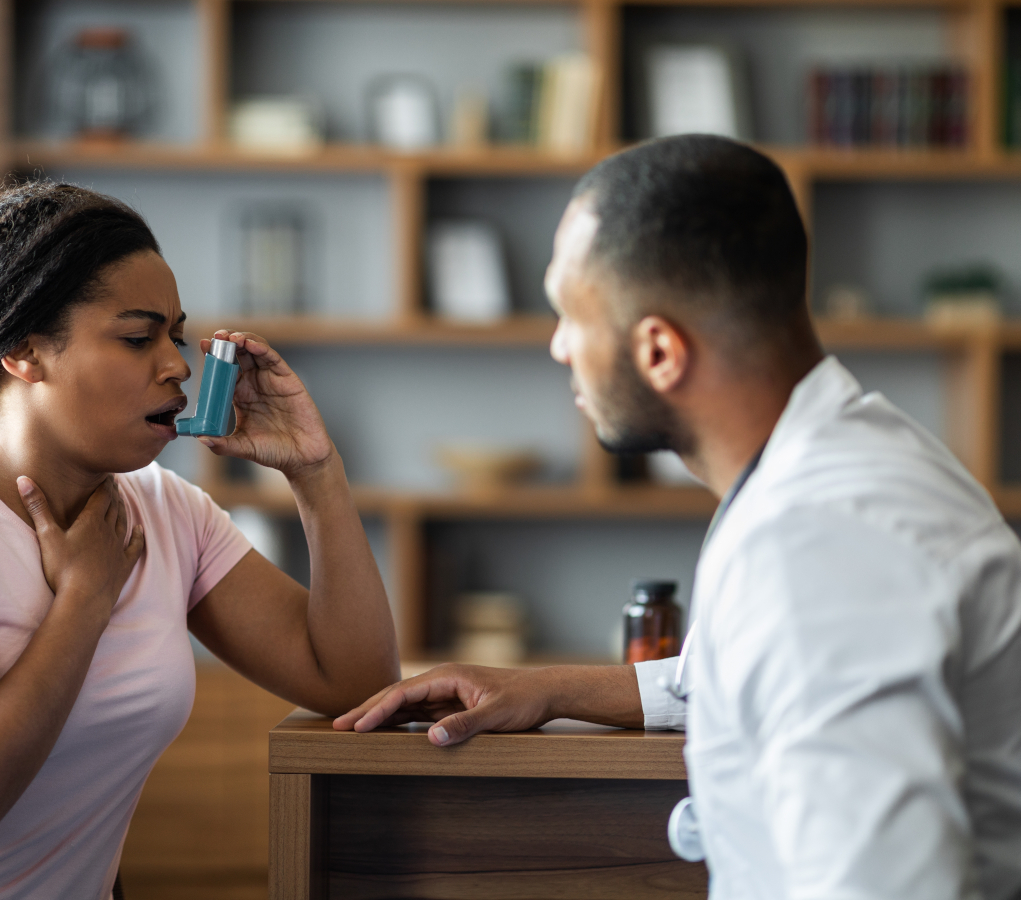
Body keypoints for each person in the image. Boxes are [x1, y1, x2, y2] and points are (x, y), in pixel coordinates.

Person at [335, 135, 1021, 899]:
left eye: (569, 314)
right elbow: (749, 673)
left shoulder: (822, 542)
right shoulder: (838, 465)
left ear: (659, 350)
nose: (559, 347)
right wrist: (548, 690)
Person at [0, 182, 399, 898]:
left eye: (175, 336)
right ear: (25, 352)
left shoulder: (167, 512)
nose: (178, 366)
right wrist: (85, 598)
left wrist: (317, 473)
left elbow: (357, 683)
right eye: (137, 337)